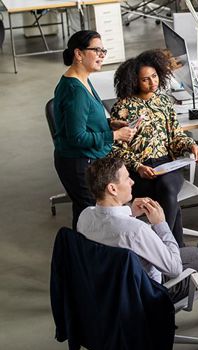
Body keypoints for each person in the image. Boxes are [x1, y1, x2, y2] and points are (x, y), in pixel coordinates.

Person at [76, 157, 198, 347]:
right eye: (127, 178)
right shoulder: (135, 231)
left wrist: (129, 211)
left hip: (112, 288)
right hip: (149, 292)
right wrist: (160, 224)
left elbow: (111, 226)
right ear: (112, 188)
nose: (132, 181)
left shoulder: (85, 217)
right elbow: (174, 268)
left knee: (193, 253)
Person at [109, 49, 198, 247]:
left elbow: (176, 136)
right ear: (134, 81)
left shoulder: (163, 101)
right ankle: (175, 249)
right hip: (137, 169)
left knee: (166, 188)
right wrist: (138, 167)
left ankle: (162, 247)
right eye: (145, 79)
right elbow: (116, 149)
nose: (152, 82)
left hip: (166, 164)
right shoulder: (122, 108)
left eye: (154, 76)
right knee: (168, 197)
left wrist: (191, 145)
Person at [53, 30, 135, 230]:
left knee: (85, 216)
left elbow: (83, 121)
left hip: (85, 158)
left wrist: (109, 124)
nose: (102, 55)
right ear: (78, 54)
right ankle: (84, 256)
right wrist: (114, 135)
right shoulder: (75, 91)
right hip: (79, 162)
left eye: (103, 50)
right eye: (96, 50)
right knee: (89, 219)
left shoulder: (83, 79)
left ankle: (82, 254)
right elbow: (76, 137)